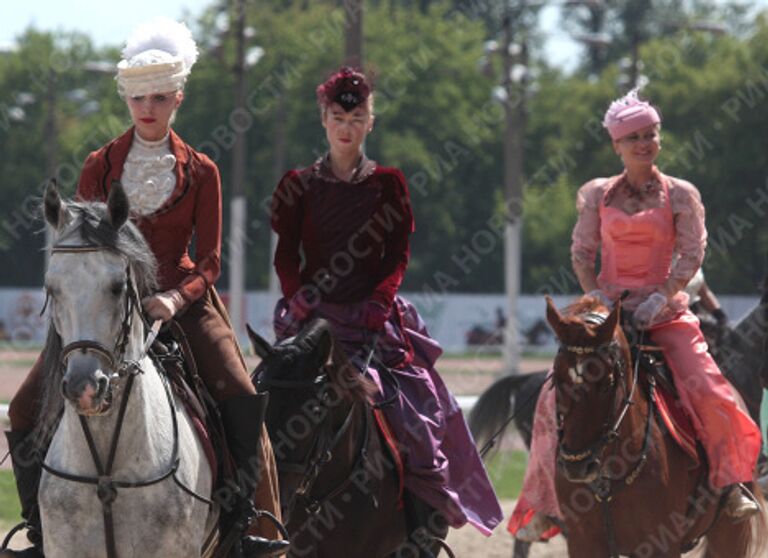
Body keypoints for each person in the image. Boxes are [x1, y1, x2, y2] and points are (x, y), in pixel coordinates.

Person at [3, 19, 287, 558]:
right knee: (21, 409)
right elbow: (86, 246)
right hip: (105, 306)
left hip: (182, 299)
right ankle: (40, 531)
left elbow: (210, 260)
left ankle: (246, 525)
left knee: (241, 393)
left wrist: (174, 298)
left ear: (177, 98)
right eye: (138, 97)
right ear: (127, 100)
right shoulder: (98, 165)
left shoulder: (202, 170)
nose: (148, 107)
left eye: (158, 96)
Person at [509, 89, 762, 542]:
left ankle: (733, 484)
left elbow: (691, 254)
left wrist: (662, 295)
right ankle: (546, 502)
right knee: (552, 393)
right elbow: (583, 254)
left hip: (663, 310)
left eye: (651, 135)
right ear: (617, 146)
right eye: (634, 138)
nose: (644, 143)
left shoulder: (681, 194)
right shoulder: (594, 194)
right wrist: (597, 299)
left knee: (710, 388)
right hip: (604, 310)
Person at [269, 67, 503, 554]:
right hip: (309, 319)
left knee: (420, 417)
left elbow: (396, 255)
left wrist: (379, 300)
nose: (346, 126)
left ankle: (422, 529)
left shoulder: (389, 184)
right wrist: (300, 296)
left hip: (372, 320)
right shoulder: (298, 184)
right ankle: (251, 520)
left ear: (370, 122)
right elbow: (285, 254)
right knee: (270, 401)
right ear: (324, 120)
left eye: (356, 117)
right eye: (337, 117)